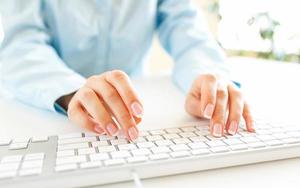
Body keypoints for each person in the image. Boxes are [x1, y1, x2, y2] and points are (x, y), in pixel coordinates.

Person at [0, 0, 254, 141]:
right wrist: (70, 91)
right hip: (48, 113)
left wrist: (209, 76)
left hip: (135, 116)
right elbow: (20, 43)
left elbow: (186, 29)